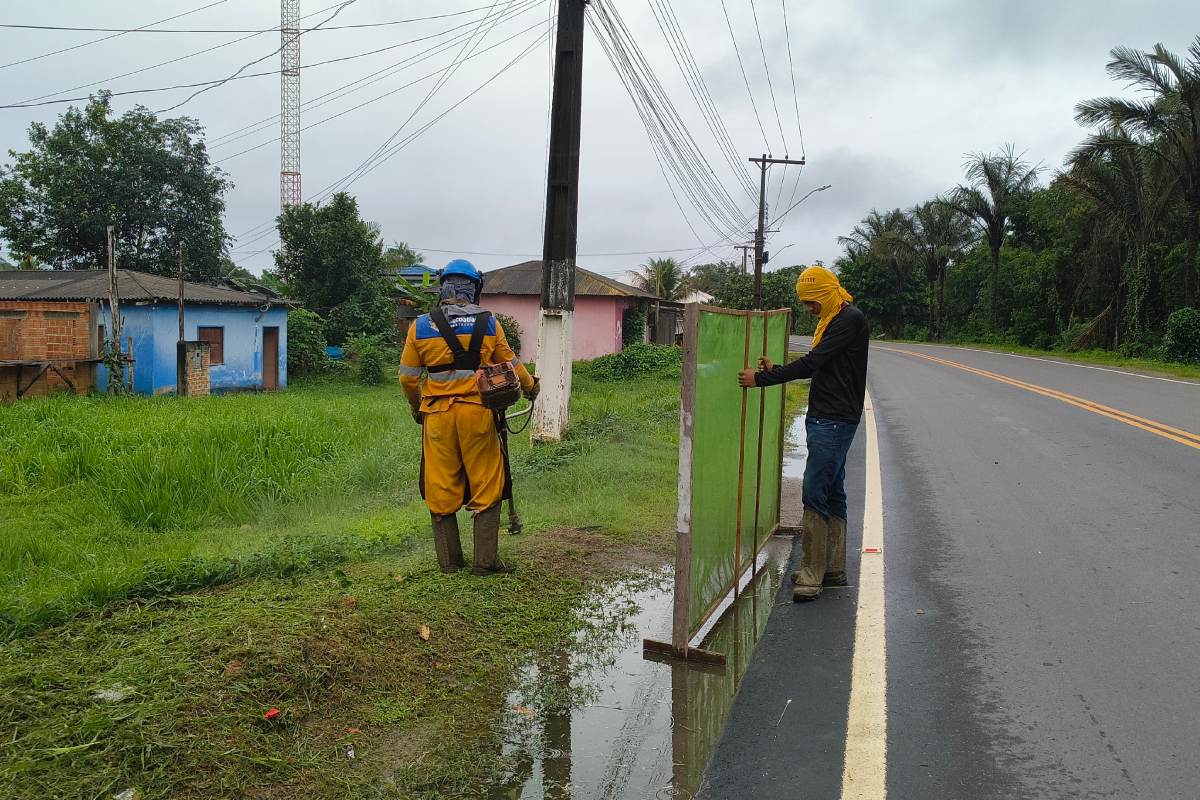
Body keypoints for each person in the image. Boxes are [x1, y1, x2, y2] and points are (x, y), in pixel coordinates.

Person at [399, 259, 539, 575]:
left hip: (437, 417)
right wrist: (531, 388)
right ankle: (484, 564)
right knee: (487, 481)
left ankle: (450, 563)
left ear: (442, 287)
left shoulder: (420, 326)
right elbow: (513, 366)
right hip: (479, 414)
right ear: (474, 288)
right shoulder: (489, 324)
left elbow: (407, 378)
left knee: (440, 484)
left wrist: (417, 406)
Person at [738, 265, 869, 601]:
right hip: (830, 416)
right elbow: (819, 363)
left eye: (812, 302)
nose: (810, 309)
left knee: (814, 490)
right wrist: (778, 369)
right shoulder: (836, 321)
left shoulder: (848, 320)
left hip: (834, 420)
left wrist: (763, 379)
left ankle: (812, 574)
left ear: (826, 294)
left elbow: (813, 363)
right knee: (832, 490)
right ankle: (832, 568)